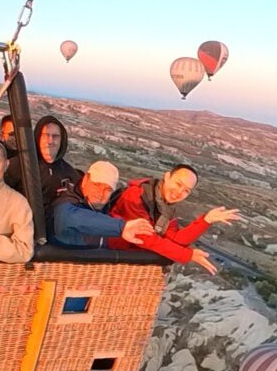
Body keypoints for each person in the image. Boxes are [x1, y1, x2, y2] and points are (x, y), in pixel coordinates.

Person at [109, 165, 241, 276]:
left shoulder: (167, 209)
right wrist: (187, 255)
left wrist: (206, 220)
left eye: (186, 191)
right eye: (178, 184)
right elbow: (144, 237)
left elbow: (176, 239)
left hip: (128, 265)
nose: (179, 192)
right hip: (106, 258)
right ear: (167, 177)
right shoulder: (136, 195)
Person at [51, 160, 157, 250]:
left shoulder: (109, 209)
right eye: (97, 185)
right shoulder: (67, 202)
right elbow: (70, 218)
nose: (101, 193)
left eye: (108, 189)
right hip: (61, 266)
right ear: (85, 179)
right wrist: (121, 227)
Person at [33, 115, 82, 224]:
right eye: (45, 135)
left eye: (55, 136)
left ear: (61, 141)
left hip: (52, 232)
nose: (50, 141)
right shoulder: (21, 165)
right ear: (37, 137)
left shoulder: (69, 173)